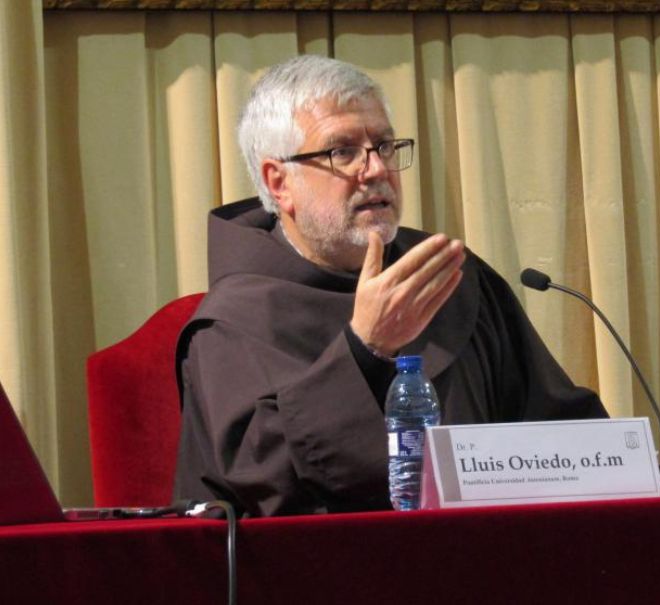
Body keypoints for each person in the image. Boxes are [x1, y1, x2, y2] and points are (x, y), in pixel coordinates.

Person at [173, 55, 607, 517]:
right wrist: (364, 348)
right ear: (279, 183)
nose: (376, 169)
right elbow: (265, 485)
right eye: (342, 151)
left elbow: (557, 428)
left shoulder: (450, 277)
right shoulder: (234, 321)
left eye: (383, 146)